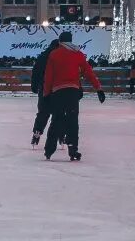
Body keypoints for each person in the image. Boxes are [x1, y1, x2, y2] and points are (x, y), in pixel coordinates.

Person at [40, 31, 105, 161]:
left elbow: (48, 76)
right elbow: (89, 72)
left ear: (60, 41)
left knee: (57, 119)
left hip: (58, 92)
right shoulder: (78, 54)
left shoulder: (54, 54)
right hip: (72, 92)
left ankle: (49, 149)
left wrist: (46, 94)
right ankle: (72, 148)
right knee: (72, 120)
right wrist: (98, 89)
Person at [29, 39, 60, 146]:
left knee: (43, 112)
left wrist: (34, 86)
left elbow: (35, 71)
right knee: (59, 113)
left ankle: (37, 132)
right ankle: (61, 135)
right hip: (57, 88)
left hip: (44, 88)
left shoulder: (43, 56)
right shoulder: (59, 57)